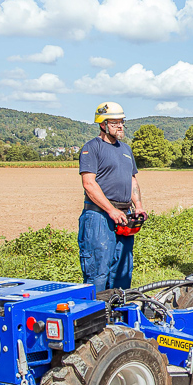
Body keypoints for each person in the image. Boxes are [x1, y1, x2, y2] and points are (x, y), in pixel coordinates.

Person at [78, 101, 145, 291]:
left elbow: (132, 180)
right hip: (99, 217)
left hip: (124, 216)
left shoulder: (125, 149)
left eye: (122, 122)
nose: (120, 126)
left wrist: (139, 206)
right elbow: (89, 184)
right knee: (97, 271)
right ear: (103, 124)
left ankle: (119, 308)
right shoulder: (92, 148)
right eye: (115, 123)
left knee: (123, 271)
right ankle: (98, 309)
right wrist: (111, 210)